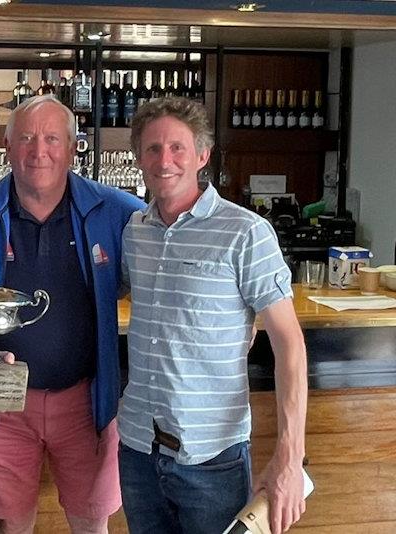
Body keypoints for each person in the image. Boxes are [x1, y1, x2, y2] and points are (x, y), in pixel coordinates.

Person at [118, 96, 308, 534]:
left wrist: (289, 454)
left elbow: (289, 344)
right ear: (138, 158)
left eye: (177, 147)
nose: (164, 160)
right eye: (152, 149)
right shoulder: (135, 231)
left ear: (202, 155)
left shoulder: (245, 231)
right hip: (137, 450)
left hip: (211, 458)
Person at [0, 94, 145, 534]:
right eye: (25, 138)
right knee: (11, 528)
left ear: (72, 147)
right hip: (2, 402)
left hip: (87, 399)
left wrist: (242, 309)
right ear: (6, 148)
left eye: (51, 139)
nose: (38, 151)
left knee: (91, 525)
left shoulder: (118, 211)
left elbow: (173, 259)